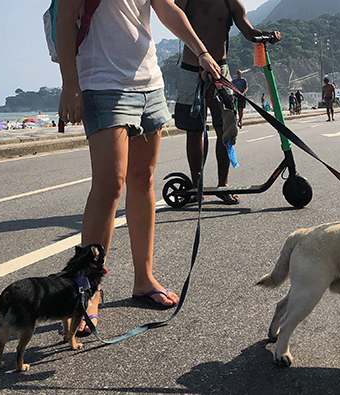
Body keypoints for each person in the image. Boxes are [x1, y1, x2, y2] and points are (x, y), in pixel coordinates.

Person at [56, 0, 222, 334]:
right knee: (109, 185)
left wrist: (201, 52)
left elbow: (166, 8)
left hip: (149, 82)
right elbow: (64, 20)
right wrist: (70, 84)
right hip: (102, 83)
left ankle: (143, 279)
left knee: (143, 179)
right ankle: (88, 291)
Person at [174, 0, 281, 205]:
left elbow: (248, 32)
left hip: (220, 70)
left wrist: (268, 34)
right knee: (194, 130)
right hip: (190, 69)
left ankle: (224, 185)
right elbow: (173, 21)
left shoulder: (231, 2)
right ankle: (197, 186)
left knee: (226, 128)